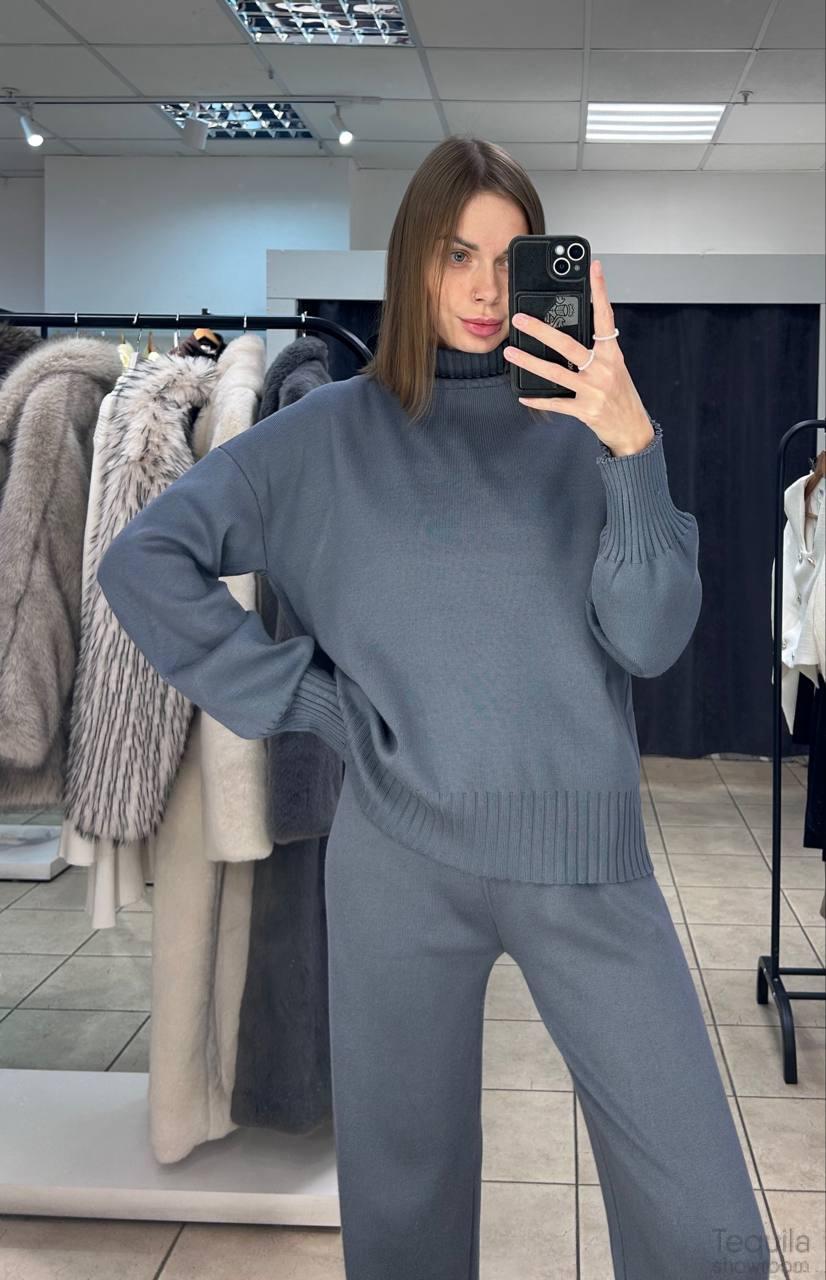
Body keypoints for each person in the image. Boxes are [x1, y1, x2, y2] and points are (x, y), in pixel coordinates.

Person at [96, 137, 771, 1279]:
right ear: (413, 259)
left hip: (586, 862)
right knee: (402, 1227)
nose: (485, 288)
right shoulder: (323, 436)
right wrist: (305, 699)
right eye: (458, 253)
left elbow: (653, 639)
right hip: (397, 864)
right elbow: (142, 561)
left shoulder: (588, 431)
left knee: (709, 1237)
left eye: (512, 259)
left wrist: (633, 445)